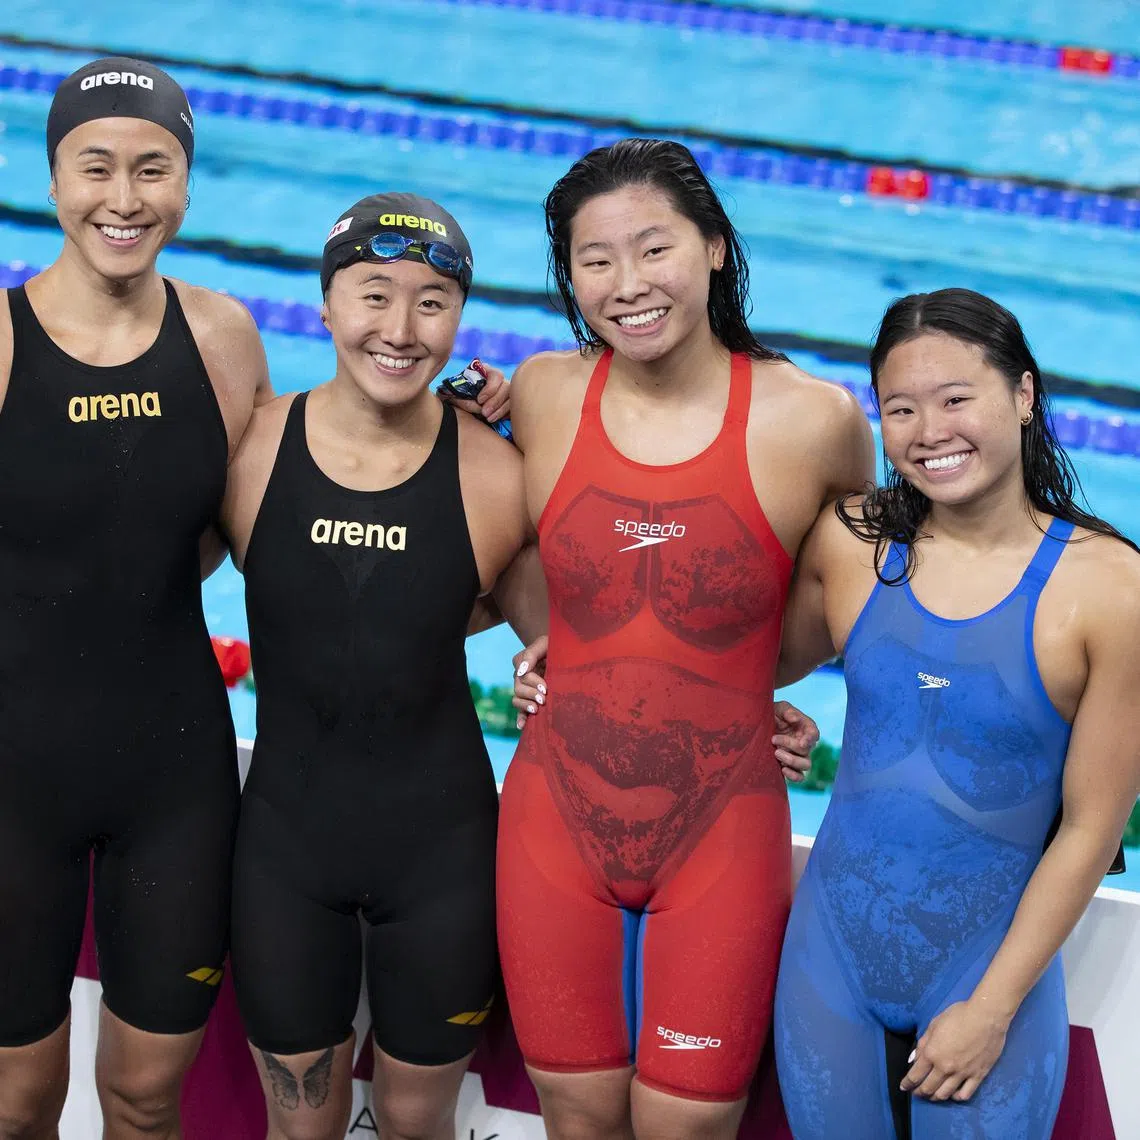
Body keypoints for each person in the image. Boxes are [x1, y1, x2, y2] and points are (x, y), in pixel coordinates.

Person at [500, 137, 875, 1140]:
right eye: (595, 260)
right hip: (553, 817)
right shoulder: (538, 395)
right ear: (568, 277)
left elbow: (846, 612)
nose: (628, 285)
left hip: (723, 822)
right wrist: (557, 649)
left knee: (689, 1132)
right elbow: (502, 557)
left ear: (714, 246)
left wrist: (742, 687)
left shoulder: (814, 422)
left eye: (654, 248)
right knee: (576, 1124)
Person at [772, 288, 1140, 1139]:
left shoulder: (1107, 589)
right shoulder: (853, 542)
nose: (929, 430)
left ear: (1023, 394)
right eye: (900, 408)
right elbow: (753, 663)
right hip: (829, 963)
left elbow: (1092, 826)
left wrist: (993, 1007)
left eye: (956, 398)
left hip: (984, 973)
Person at [220, 193, 536, 1140]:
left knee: (415, 1123)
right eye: (372, 295)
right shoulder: (250, 449)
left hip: (441, 854)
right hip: (286, 851)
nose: (400, 330)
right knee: (299, 1129)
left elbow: (575, 632)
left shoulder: (496, 474)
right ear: (324, 304)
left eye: (432, 301)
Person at [0, 57, 273, 1137]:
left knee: (145, 1099)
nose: (125, 199)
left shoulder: (222, 337)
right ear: (55, 175)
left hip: (174, 775)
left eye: (153, 169)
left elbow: (260, 530)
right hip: (15, 775)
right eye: (97, 167)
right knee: (17, 1104)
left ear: (188, 185)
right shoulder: (4, 341)